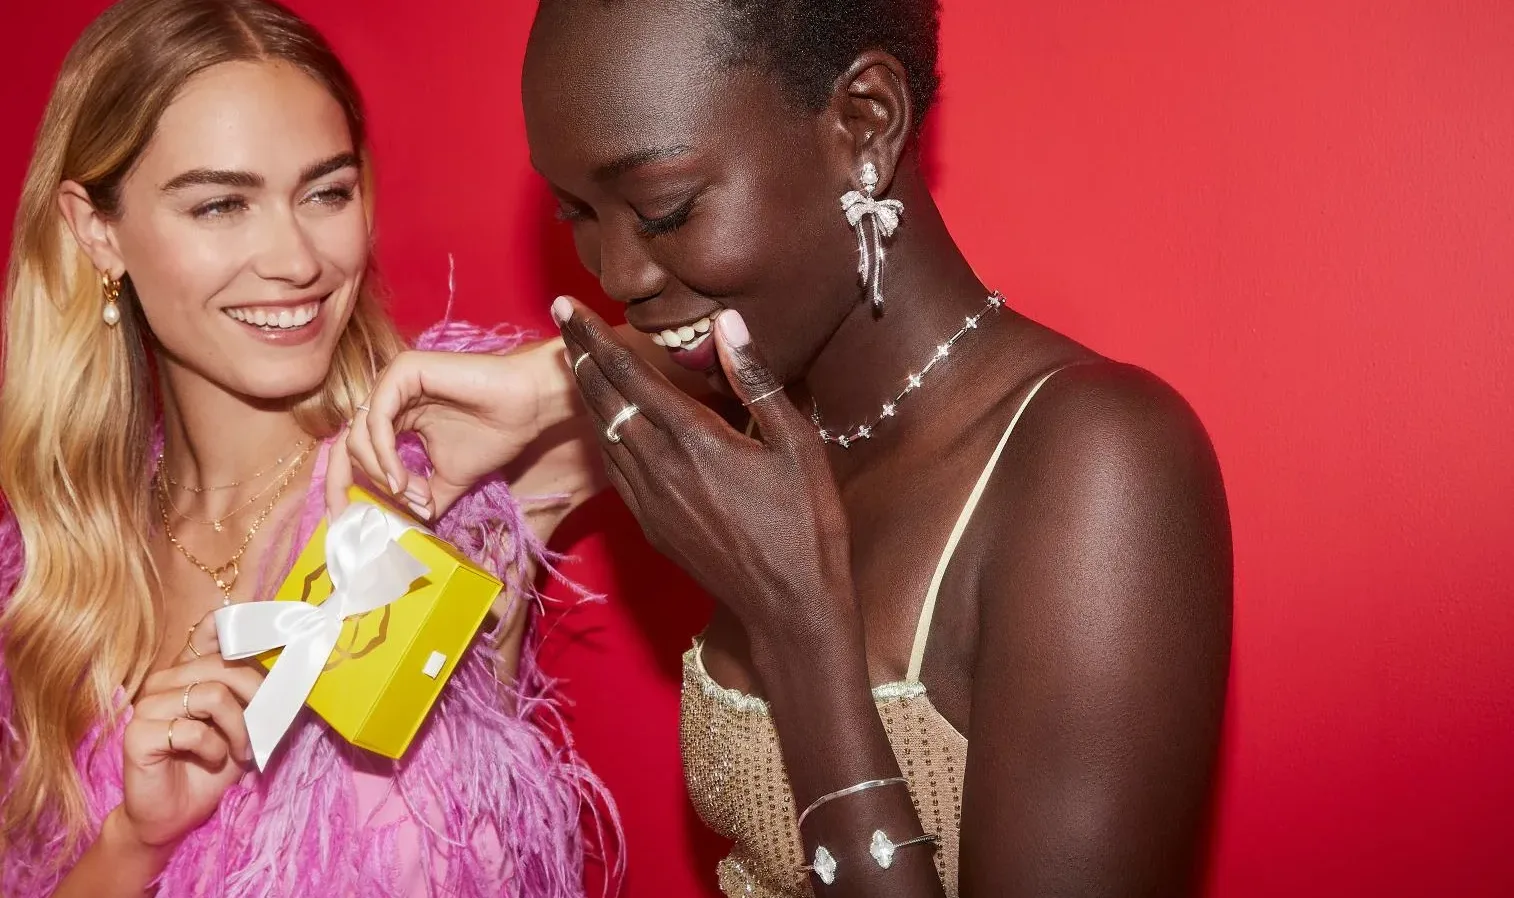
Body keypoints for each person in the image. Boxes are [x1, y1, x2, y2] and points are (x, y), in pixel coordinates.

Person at [337, 1, 1235, 897]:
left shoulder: (1100, 464)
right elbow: (365, 761)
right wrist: (554, 397)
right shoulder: (747, 433)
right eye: (578, 211)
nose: (615, 274)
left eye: (664, 209)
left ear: (864, 123)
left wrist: (797, 625)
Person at [0, 1, 612, 895]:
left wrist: (540, 388)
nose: (295, 260)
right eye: (220, 204)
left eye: (326, 192)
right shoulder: (49, 576)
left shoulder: (443, 469)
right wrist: (135, 841)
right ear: (98, 231)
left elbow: (776, 371)